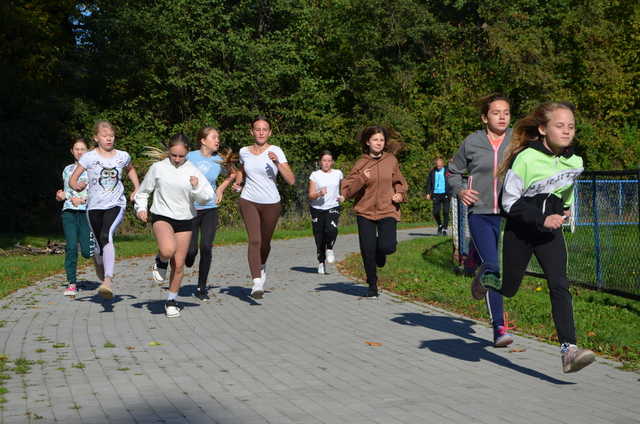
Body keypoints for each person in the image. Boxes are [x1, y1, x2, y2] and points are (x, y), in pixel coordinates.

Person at [478, 101, 595, 373]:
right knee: (509, 288)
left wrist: (563, 207)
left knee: (559, 284)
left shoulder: (575, 161)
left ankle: (569, 350)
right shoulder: (526, 158)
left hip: (549, 233)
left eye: (571, 126)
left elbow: (564, 190)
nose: (567, 131)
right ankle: (484, 276)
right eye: (559, 126)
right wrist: (541, 218)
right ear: (543, 129)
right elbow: (508, 202)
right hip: (521, 231)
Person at [448, 94, 514, 347]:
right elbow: (453, 171)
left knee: (502, 268)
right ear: (485, 118)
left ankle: (477, 270)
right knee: (494, 266)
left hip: (511, 213)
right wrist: (460, 190)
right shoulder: (473, 142)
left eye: (506, 112)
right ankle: (499, 326)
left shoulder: (517, 141)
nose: (502, 117)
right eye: (496, 112)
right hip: (481, 213)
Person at [135, 134, 214, 317]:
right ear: (168, 152)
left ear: (187, 153)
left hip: (185, 219)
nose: (177, 159)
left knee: (179, 265)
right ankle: (160, 261)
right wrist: (141, 208)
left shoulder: (193, 170)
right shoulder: (158, 168)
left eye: (181, 156)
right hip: (162, 215)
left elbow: (207, 196)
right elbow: (143, 191)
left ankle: (171, 301)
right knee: (168, 250)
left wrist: (195, 187)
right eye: (173, 155)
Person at [70, 120, 140, 300]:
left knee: (105, 235)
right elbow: (73, 179)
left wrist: (137, 187)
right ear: (96, 138)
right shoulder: (89, 157)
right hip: (94, 207)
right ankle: (99, 260)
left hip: (116, 204)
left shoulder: (122, 156)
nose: (109, 139)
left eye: (111, 136)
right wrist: (76, 185)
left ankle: (108, 280)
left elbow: (130, 170)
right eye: (105, 136)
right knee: (99, 245)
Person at [341, 125, 408, 298]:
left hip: (387, 209)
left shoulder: (391, 160)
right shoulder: (361, 163)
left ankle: (381, 252)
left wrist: (399, 194)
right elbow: (347, 190)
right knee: (367, 249)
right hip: (365, 211)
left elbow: (398, 180)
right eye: (375, 140)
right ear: (367, 142)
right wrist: (363, 178)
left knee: (388, 246)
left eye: (381, 140)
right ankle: (372, 285)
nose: (379, 143)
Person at [233, 116, 296, 299]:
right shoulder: (244, 151)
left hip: (271, 203)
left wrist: (277, 162)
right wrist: (239, 182)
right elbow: (243, 170)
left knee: (265, 242)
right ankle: (256, 282)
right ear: (251, 131)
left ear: (269, 132)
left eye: (264, 129)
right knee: (254, 240)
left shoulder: (276, 151)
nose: (261, 132)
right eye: (257, 129)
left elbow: (291, 180)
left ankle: (261, 266)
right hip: (248, 200)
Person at [179, 126, 236, 302]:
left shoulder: (219, 160)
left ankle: (201, 287)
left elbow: (234, 174)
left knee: (206, 247)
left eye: (218, 137)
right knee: (191, 251)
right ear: (203, 141)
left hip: (210, 208)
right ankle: (188, 257)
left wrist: (220, 188)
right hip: (191, 209)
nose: (217, 140)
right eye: (213, 137)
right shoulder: (190, 156)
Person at [56, 137, 94, 297]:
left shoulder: (92, 170)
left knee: (86, 252)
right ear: (72, 151)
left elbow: (92, 190)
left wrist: (83, 199)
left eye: (82, 149)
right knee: (71, 247)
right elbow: (67, 190)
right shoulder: (67, 170)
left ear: (88, 152)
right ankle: (72, 283)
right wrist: (61, 195)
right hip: (69, 212)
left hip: (86, 212)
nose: (79, 152)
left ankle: (95, 244)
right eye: (76, 149)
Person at [308, 151, 344, 274]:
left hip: (333, 206)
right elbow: (311, 195)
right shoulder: (315, 175)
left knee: (331, 229)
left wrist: (343, 196)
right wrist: (319, 193)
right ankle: (321, 262)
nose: (326, 163)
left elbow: (343, 188)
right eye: (324, 160)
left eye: (329, 160)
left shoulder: (338, 173)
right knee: (319, 236)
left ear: (332, 162)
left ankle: (329, 248)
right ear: (320, 162)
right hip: (317, 209)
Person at [425, 157, 451, 235]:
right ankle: (440, 225)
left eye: (440, 166)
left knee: (446, 212)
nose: (439, 167)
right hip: (436, 194)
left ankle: (445, 229)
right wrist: (428, 193)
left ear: (443, 164)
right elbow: (429, 183)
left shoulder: (447, 170)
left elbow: (454, 169)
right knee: (435, 212)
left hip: (446, 193)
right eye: (437, 166)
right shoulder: (432, 172)